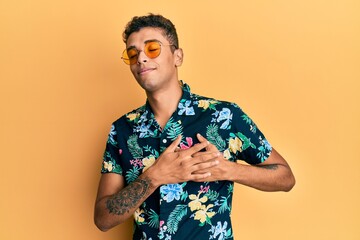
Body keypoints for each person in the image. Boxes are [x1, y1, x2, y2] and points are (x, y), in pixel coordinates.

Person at [94, 14, 295, 240]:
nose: (141, 58)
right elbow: (102, 219)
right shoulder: (122, 130)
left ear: (177, 56)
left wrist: (227, 169)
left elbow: (286, 177)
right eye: (133, 54)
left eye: (152, 48)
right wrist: (153, 177)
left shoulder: (224, 116)